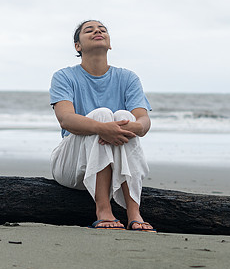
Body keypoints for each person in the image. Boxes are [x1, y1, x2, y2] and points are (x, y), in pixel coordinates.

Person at [49, 20, 155, 231]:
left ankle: (134, 212)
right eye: (89, 30)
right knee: (102, 115)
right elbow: (66, 120)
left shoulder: (127, 78)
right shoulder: (64, 76)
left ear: (109, 43)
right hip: (72, 168)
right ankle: (103, 209)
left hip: (116, 166)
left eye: (102, 30)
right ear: (77, 46)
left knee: (124, 115)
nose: (97, 31)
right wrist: (102, 127)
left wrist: (125, 128)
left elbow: (143, 122)